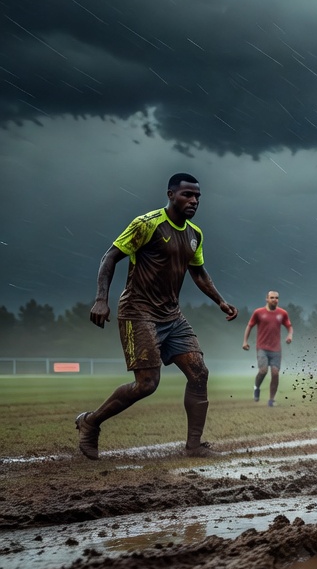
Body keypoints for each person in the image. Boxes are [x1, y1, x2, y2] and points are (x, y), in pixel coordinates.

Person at [76, 173, 238, 459]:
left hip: (172, 316)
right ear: (171, 194)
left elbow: (198, 271)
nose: (194, 201)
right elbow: (109, 257)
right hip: (138, 312)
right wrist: (101, 299)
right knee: (147, 385)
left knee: (199, 373)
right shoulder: (146, 224)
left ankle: (194, 446)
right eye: (187, 194)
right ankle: (90, 422)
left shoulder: (194, 234)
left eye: (197, 196)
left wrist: (220, 301)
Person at [243, 290, 293, 406]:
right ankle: (256, 387)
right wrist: (245, 341)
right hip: (262, 348)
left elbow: (289, 327)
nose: (274, 300)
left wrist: (290, 335)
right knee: (263, 370)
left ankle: (271, 400)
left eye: (276, 298)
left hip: (276, 349)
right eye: (272, 298)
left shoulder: (282, 313)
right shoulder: (258, 312)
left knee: (275, 373)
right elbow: (249, 326)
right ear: (267, 299)